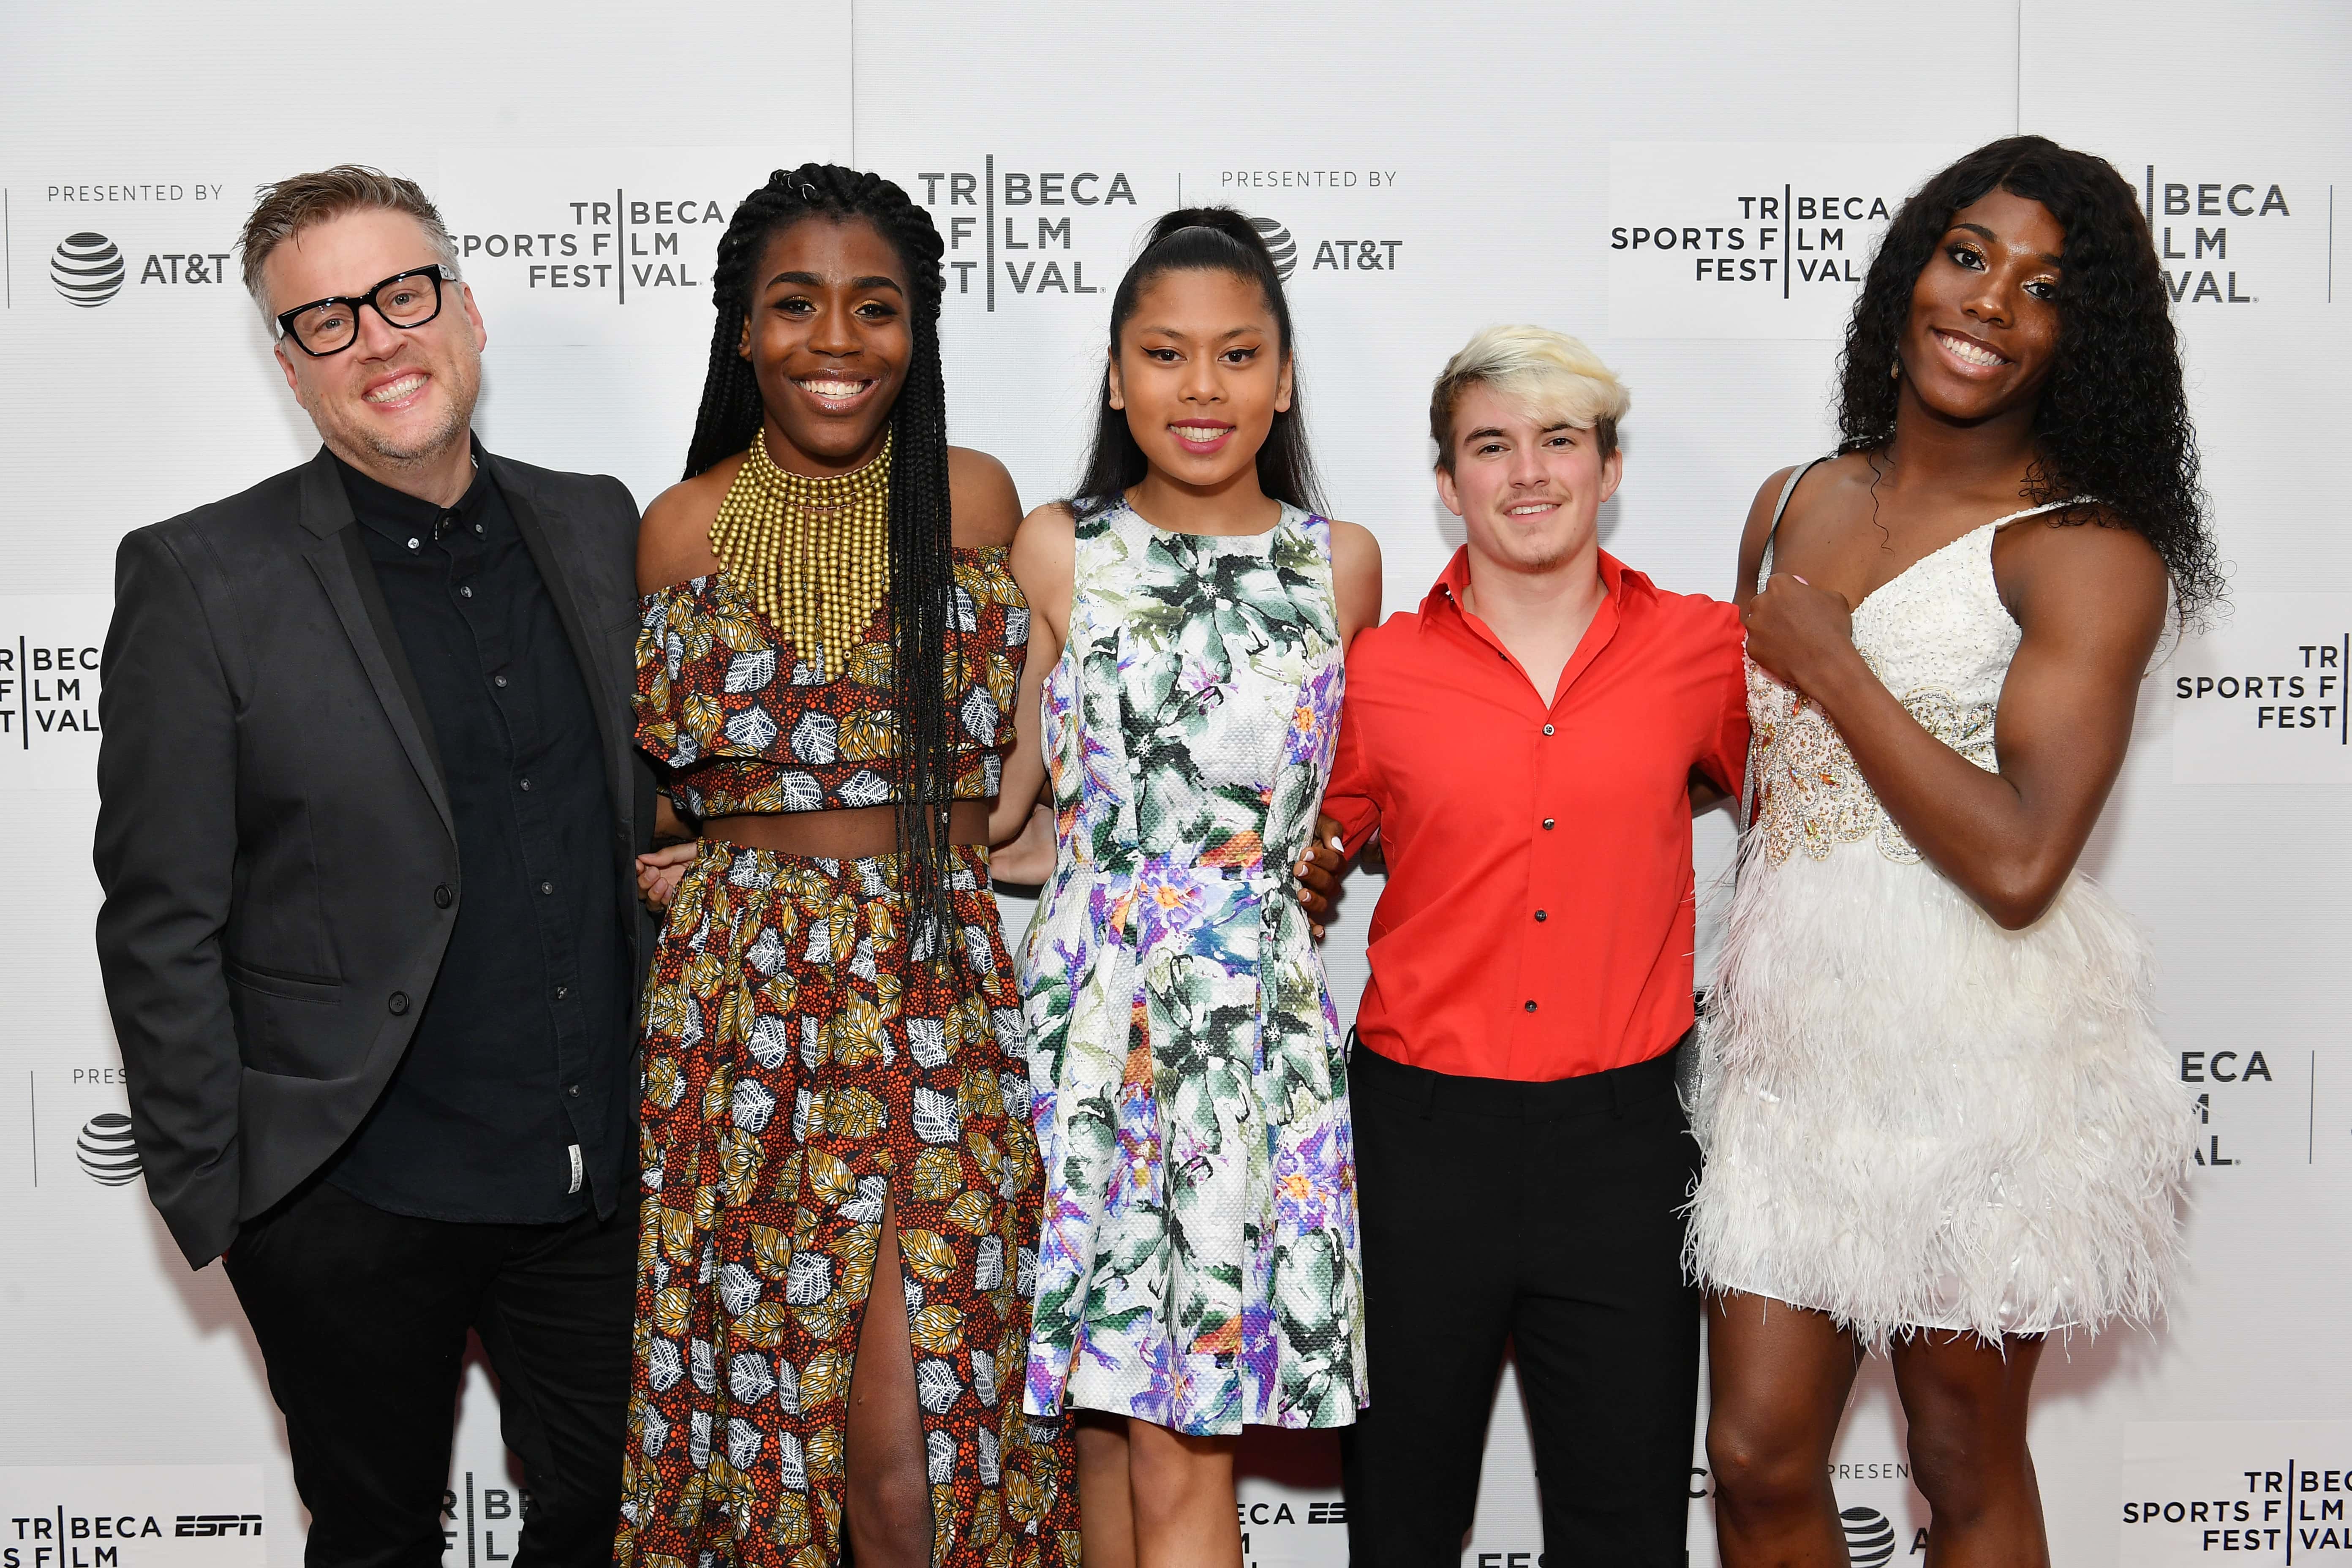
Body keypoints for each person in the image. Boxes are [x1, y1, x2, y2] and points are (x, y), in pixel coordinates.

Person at [94, 166, 653, 1567]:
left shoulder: (600, 523)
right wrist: (238, 1199)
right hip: (349, 1194)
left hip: (597, 1179)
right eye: (328, 320)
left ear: (466, 310)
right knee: (375, 1542)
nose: (379, 341)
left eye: (403, 295)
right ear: (290, 367)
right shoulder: (201, 577)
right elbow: (159, 918)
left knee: (617, 1526)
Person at [1685, 136, 2220, 1566]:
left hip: (1981, 1047)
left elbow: (2023, 861)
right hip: (1794, 1045)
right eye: (1969, 256)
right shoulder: (1795, 499)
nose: (1989, 302)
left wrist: (1836, 664)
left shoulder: (2091, 552)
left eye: (2044, 288)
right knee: (1754, 1456)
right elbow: (1763, 780)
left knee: (1959, 1447)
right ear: (1912, 272)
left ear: (2081, 339)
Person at [616, 165, 1077, 1568]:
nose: (835, 340)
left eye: (875, 308)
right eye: (795, 305)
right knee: (769, 1433)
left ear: (916, 333)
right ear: (742, 329)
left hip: (934, 989)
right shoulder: (676, 526)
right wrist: (709, 861)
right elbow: (677, 787)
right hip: (743, 1010)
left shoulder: (980, 501)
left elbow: (1045, 738)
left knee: (923, 1447)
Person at [1292, 326, 1747, 1565]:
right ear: (1449, 483)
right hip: (1415, 1144)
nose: (1529, 472)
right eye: (1492, 445)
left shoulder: (1706, 652)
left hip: (1625, 1147)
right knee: (1401, 1526)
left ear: (1610, 468)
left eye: (1560, 440)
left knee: (1628, 1533)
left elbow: (1805, 813)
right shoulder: (1374, 673)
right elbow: (1290, 856)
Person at [988, 208, 1380, 1568]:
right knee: (1102, 1431)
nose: (1201, 388)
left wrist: (1315, 860)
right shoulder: (1059, 548)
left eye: (1236, 355)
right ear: (1116, 377)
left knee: (1180, 1439)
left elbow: (1353, 797)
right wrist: (753, 840)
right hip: (1089, 1030)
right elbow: (1005, 809)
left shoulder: (1340, 565)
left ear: (1284, 378)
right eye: (1165, 354)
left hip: (1249, 1043)